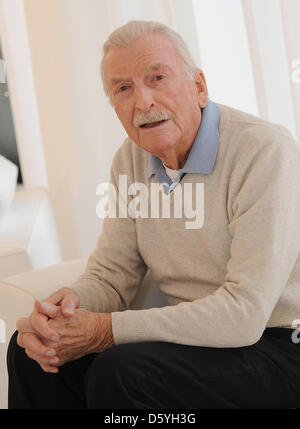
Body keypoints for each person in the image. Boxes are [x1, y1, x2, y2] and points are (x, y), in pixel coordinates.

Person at [7, 20, 300, 409]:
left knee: (122, 371)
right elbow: (112, 277)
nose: (143, 102)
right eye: (124, 88)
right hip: (194, 343)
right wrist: (67, 308)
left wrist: (105, 331)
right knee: (32, 354)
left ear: (199, 86)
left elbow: (244, 314)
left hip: (277, 342)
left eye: (157, 77)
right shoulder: (130, 161)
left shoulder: (264, 150)